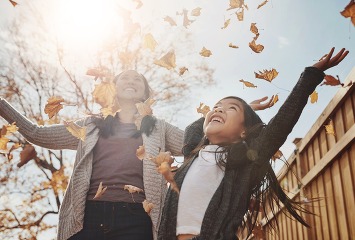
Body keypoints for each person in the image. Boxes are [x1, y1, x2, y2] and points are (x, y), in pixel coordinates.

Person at [0, 70, 271, 240]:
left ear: (145, 93)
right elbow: (36, 133)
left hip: (138, 219)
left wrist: (244, 114)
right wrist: (2, 105)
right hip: (87, 218)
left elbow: (203, 138)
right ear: (113, 90)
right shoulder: (90, 125)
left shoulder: (159, 128)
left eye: (138, 80)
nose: (131, 81)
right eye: (125, 78)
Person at [158, 47, 349, 240]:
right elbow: (193, 128)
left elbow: (280, 125)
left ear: (243, 132)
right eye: (216, 107)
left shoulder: (243, 159)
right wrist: (243, 107)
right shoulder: (193, 154)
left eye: (230, 109)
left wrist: (310, 75)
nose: (218, 110)